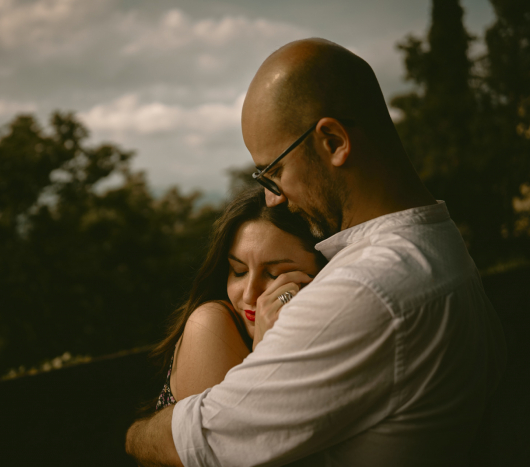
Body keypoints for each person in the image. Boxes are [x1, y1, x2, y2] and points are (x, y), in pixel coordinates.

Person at [126, 38, 507, 467]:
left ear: (333, 141)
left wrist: (139, 431)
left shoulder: (366, 289)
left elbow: (194, 445)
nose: (271, 199)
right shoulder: (441, 246)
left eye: (274, 172)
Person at [152, 187, 325, 412]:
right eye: (239, 271)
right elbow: (246, 442)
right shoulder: (210, 323)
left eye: (274, 275)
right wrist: (267, 351)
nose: (249, 295)